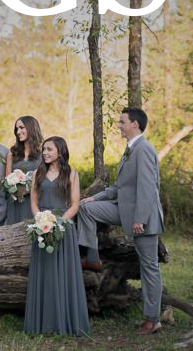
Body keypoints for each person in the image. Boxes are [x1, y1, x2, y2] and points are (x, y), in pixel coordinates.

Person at [78, 107, 164, 335]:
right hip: (124, 210)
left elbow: (148, 188)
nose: (119, 124)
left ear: (135, 124)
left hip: (142, 218)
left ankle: (153, 319)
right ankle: (93, 258)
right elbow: (119, 188)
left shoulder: (144, 149)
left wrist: (141, 220)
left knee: (149, 268)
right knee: (88, 210)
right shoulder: (130, 149)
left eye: (122, 121)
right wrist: (93, 198)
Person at [24, 137, 90, 336]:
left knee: (63, 273)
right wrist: (41, 220)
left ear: (60, 151)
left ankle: (65, 320)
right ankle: (43, 322)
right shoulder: (38, 173)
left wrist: (57, 223)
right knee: (44, 272)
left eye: (49, 149)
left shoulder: (71, 174)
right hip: (41, 227)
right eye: (44, 149)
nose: (44, 152)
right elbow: (34, 202)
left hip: (63, 228)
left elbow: (75, 204)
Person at [4, 116, 43, 225]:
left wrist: (27, 190)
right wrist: (13, 189)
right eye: (17, 129)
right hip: (15, 202)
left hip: (34, 201)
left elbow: (46, 178)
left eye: (22, 128)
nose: (18, 131)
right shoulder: (12, 152)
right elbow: (7, 179)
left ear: (31, 128)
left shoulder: (43, 151)